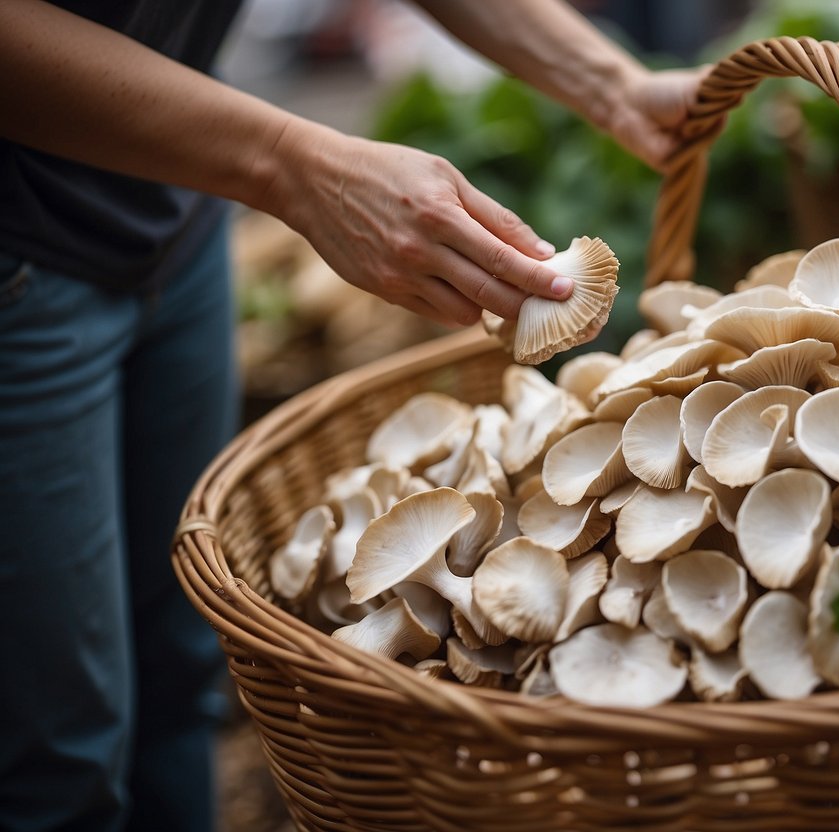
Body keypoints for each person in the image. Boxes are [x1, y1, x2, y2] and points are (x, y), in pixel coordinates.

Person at [0, 2, 704, 829]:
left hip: (175, 197)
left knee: (178, 667)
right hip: (19, 249)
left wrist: (611, 82)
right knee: (60, 748)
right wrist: (289, 164)